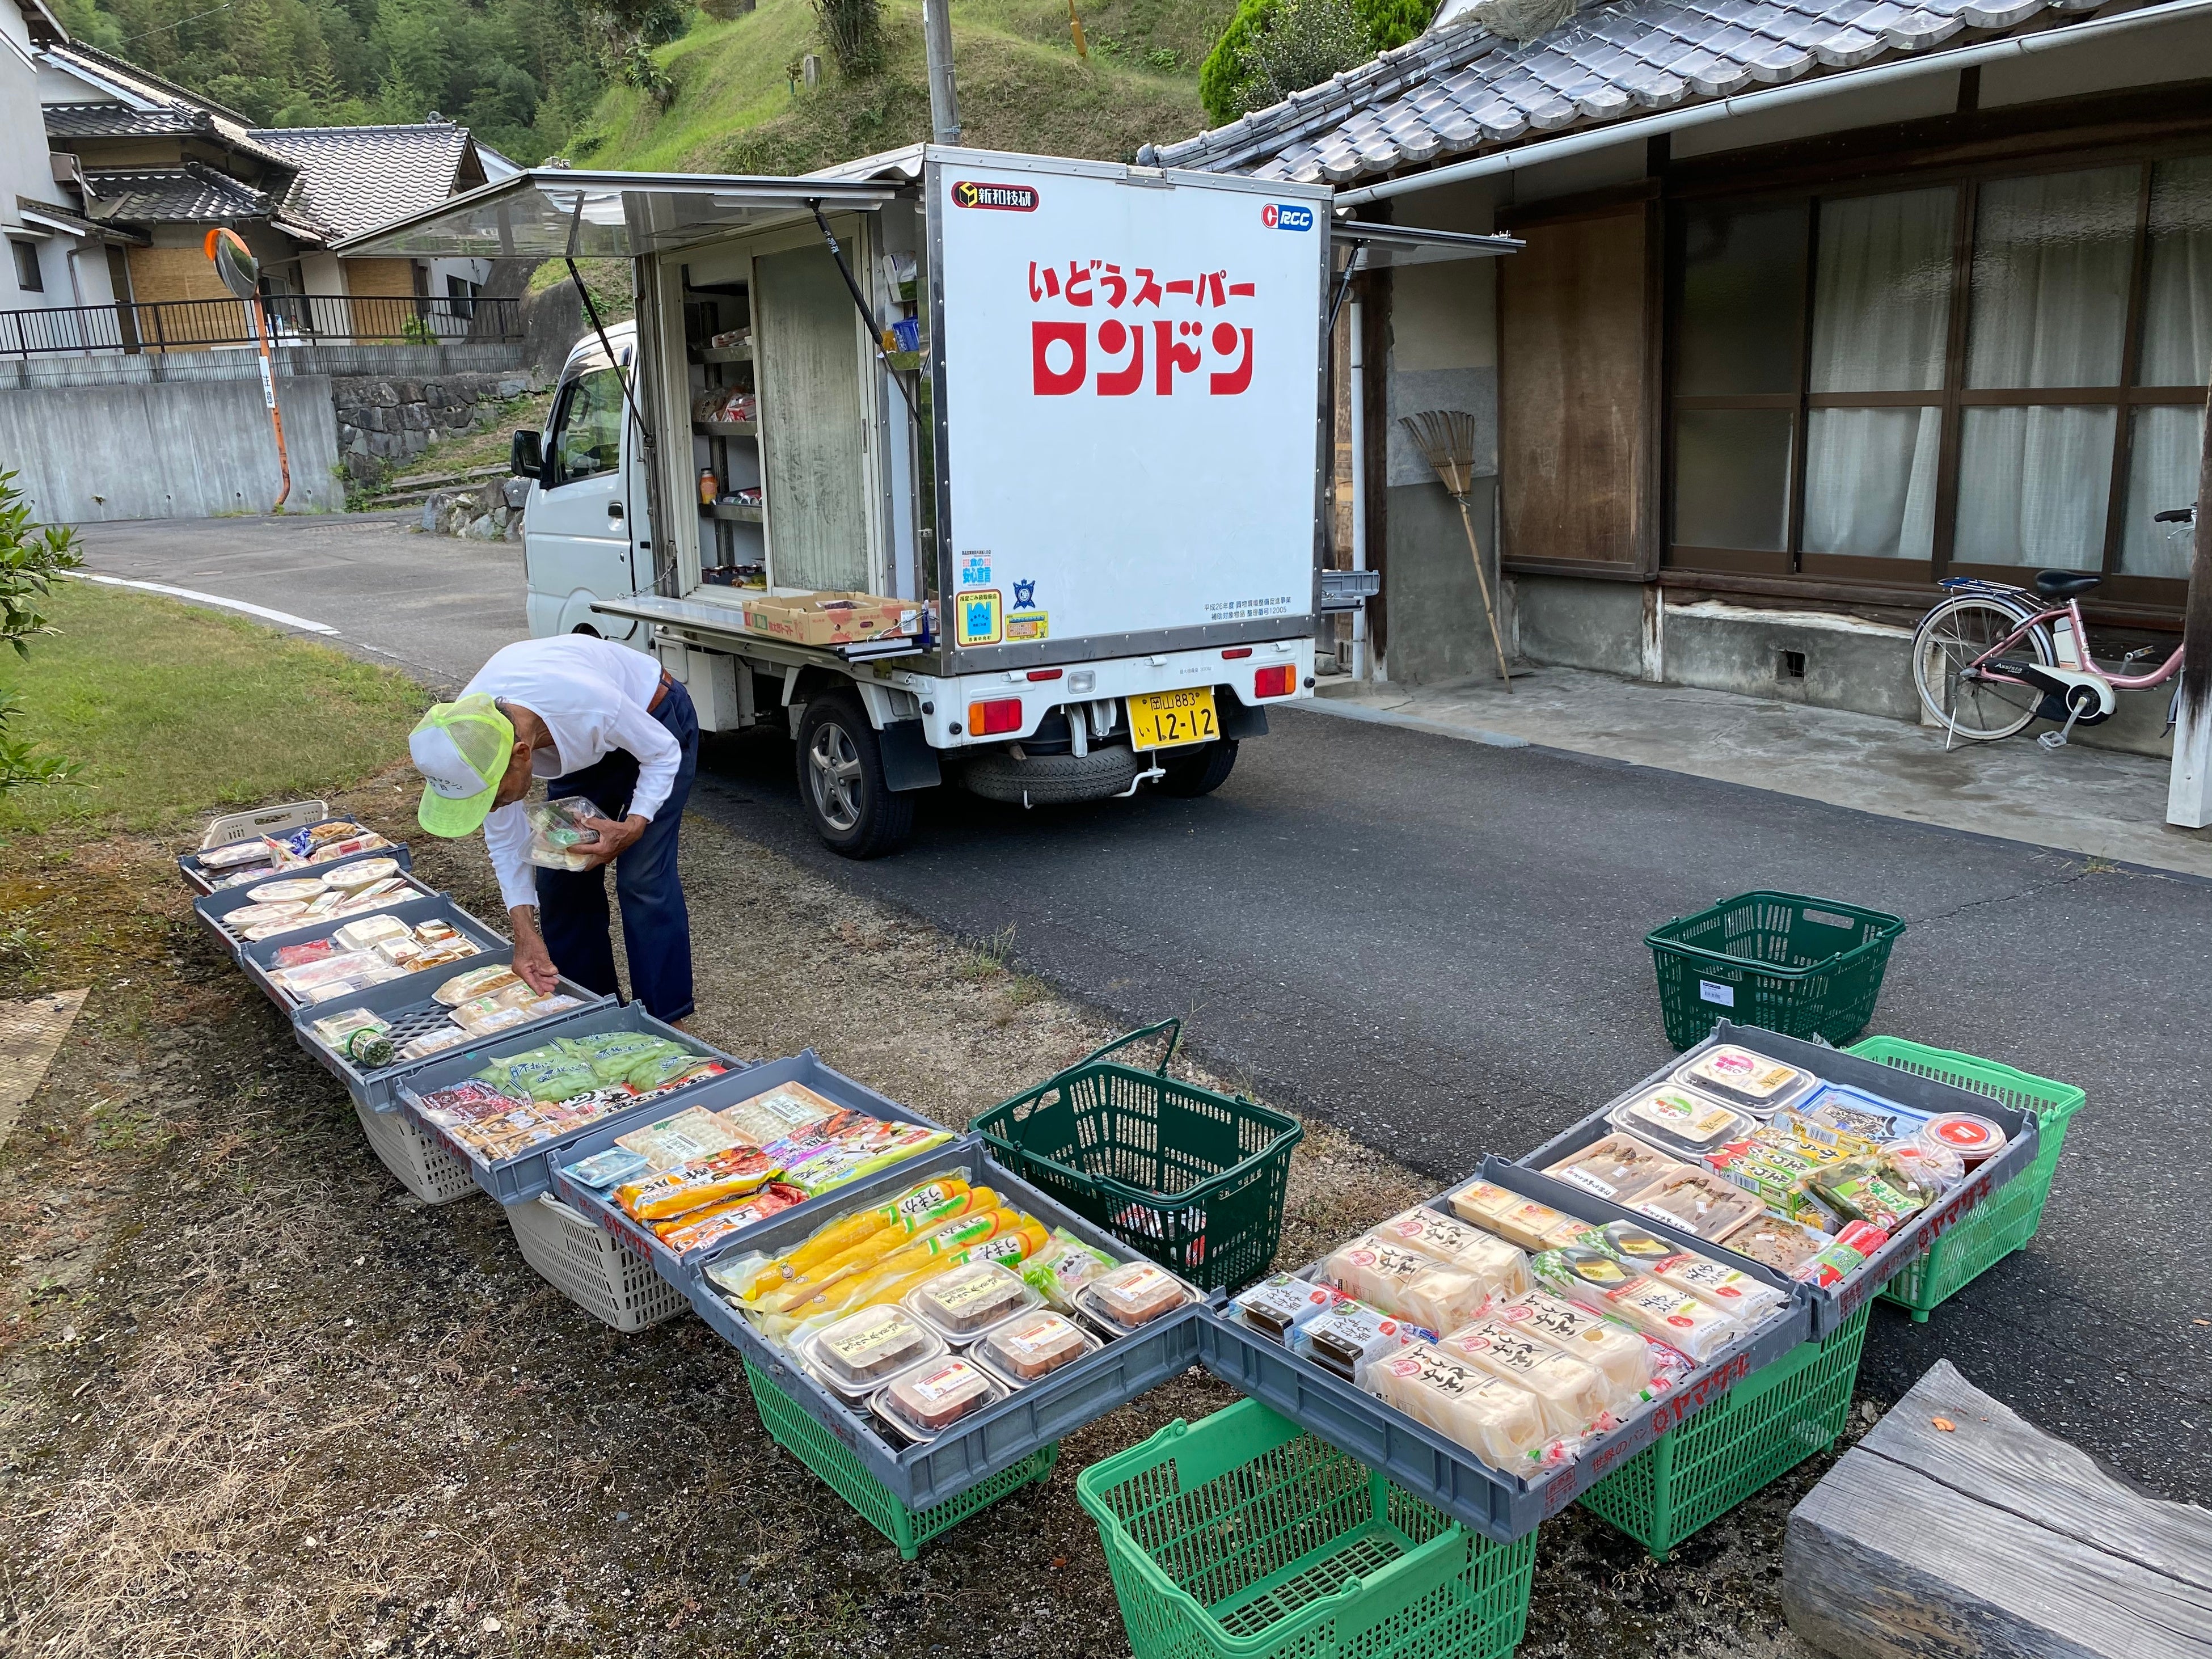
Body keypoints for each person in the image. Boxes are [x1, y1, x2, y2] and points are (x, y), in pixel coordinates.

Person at [407, 635, 698, 1023]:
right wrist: (524, 933)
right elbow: (506, 841)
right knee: (560, 875)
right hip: (579, 744)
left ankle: (666, 1022)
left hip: (654, 718)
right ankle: (594, 1012)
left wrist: (634, 824)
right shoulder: (470, 738)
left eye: (493, 798)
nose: (491, 808)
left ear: (521, 755)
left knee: (642, 879)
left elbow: (662, 752)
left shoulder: (588, 703)